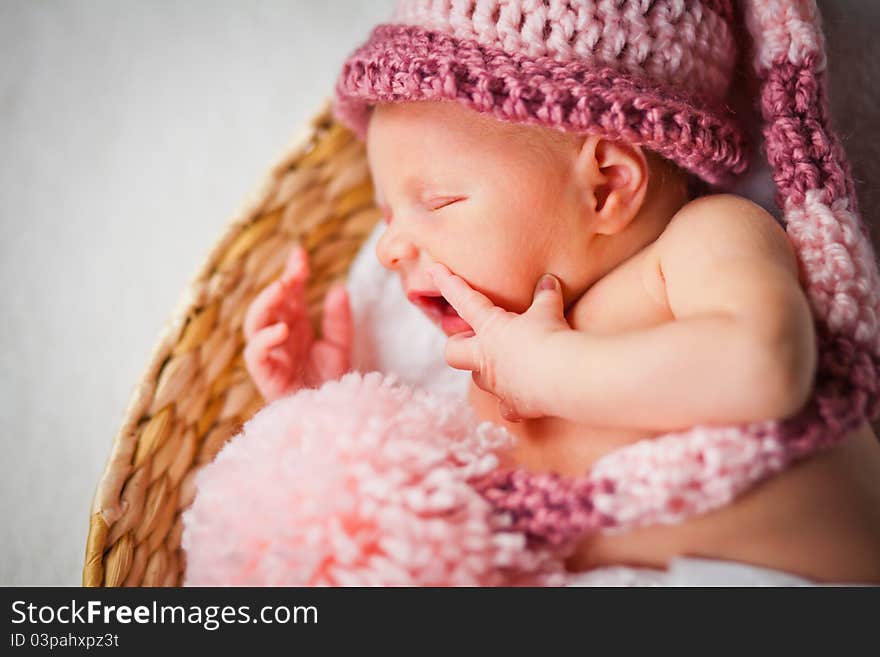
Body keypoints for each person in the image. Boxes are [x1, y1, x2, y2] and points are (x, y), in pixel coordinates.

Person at [242, 1, 880, 583]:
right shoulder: (484, 373)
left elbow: (763, 370)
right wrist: (320, 409)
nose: (388, 250)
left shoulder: (697, 245)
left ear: (605, 186)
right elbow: (422, 523)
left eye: (436, 202)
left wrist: (547, 369)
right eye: (386, 218)